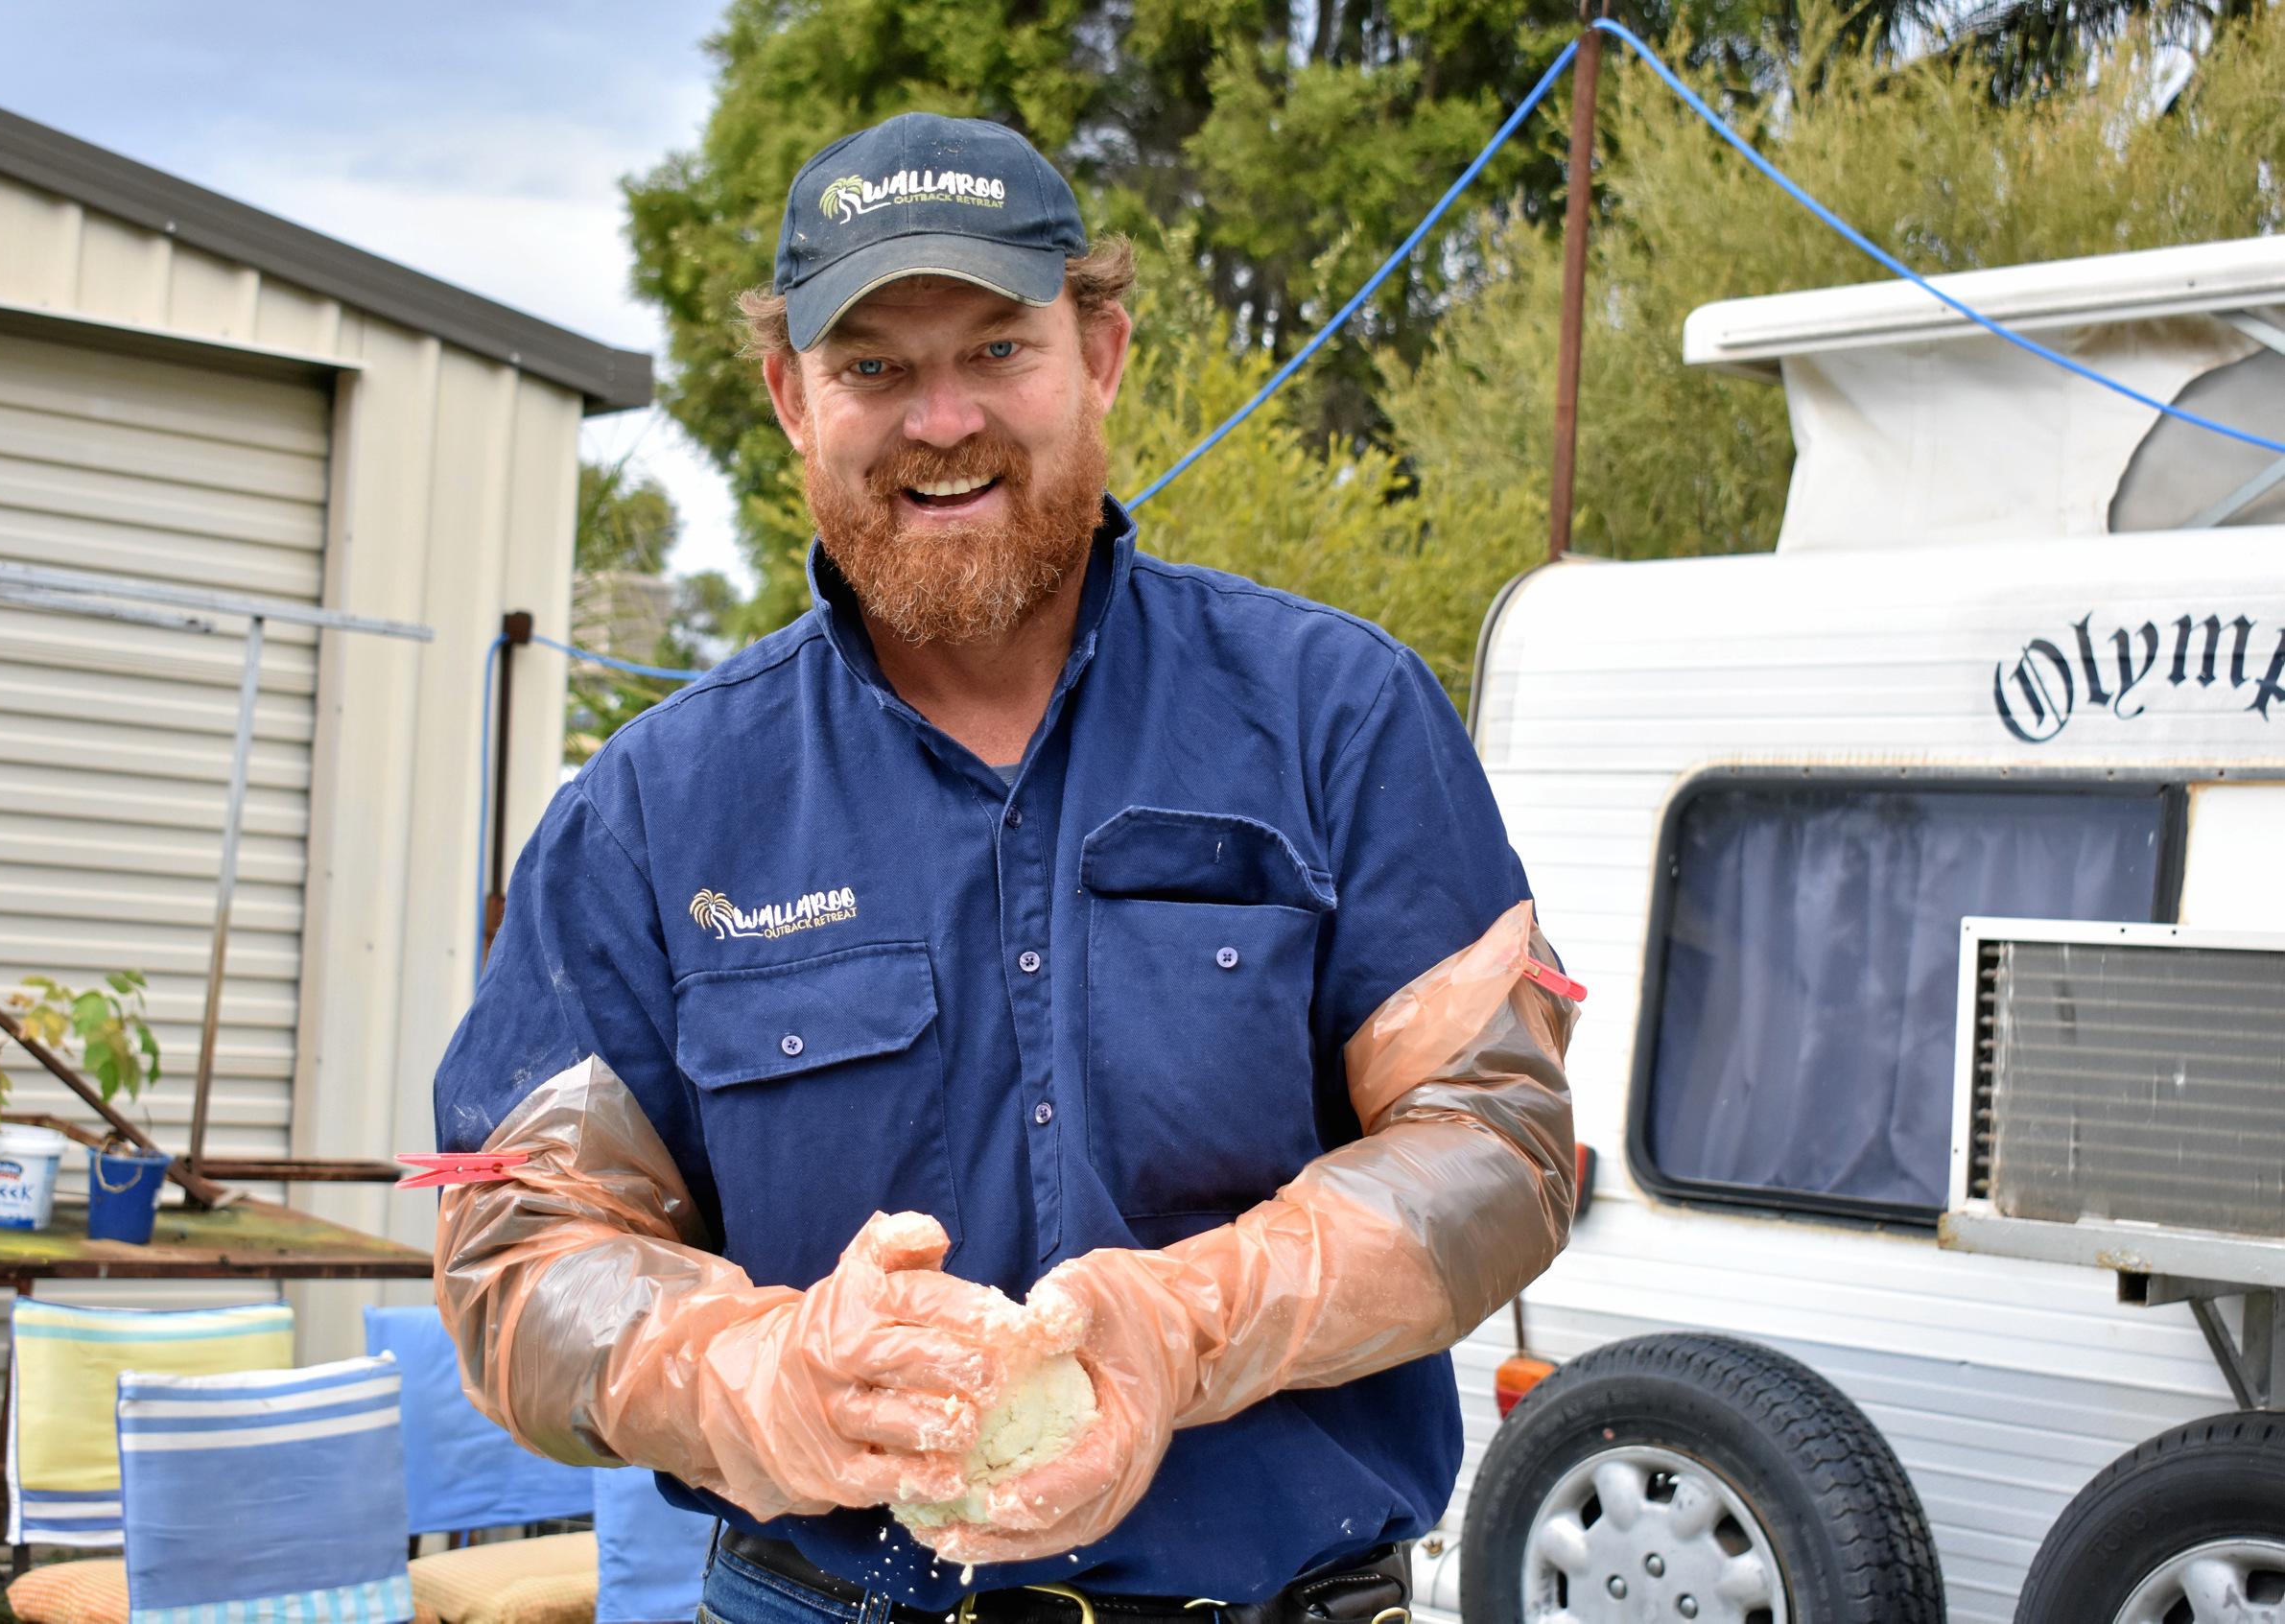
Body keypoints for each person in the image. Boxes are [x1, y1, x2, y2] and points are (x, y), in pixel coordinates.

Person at [433, 110, 1578, 1624]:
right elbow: (516, 1250)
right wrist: (750, 1370)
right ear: (789, 396)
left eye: (995, 348)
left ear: (1097, 353)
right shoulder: (659, 805)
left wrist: (1184, 1320)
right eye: (873, 367)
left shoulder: (1333, 714)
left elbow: (1500, 1144)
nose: (942, 419)